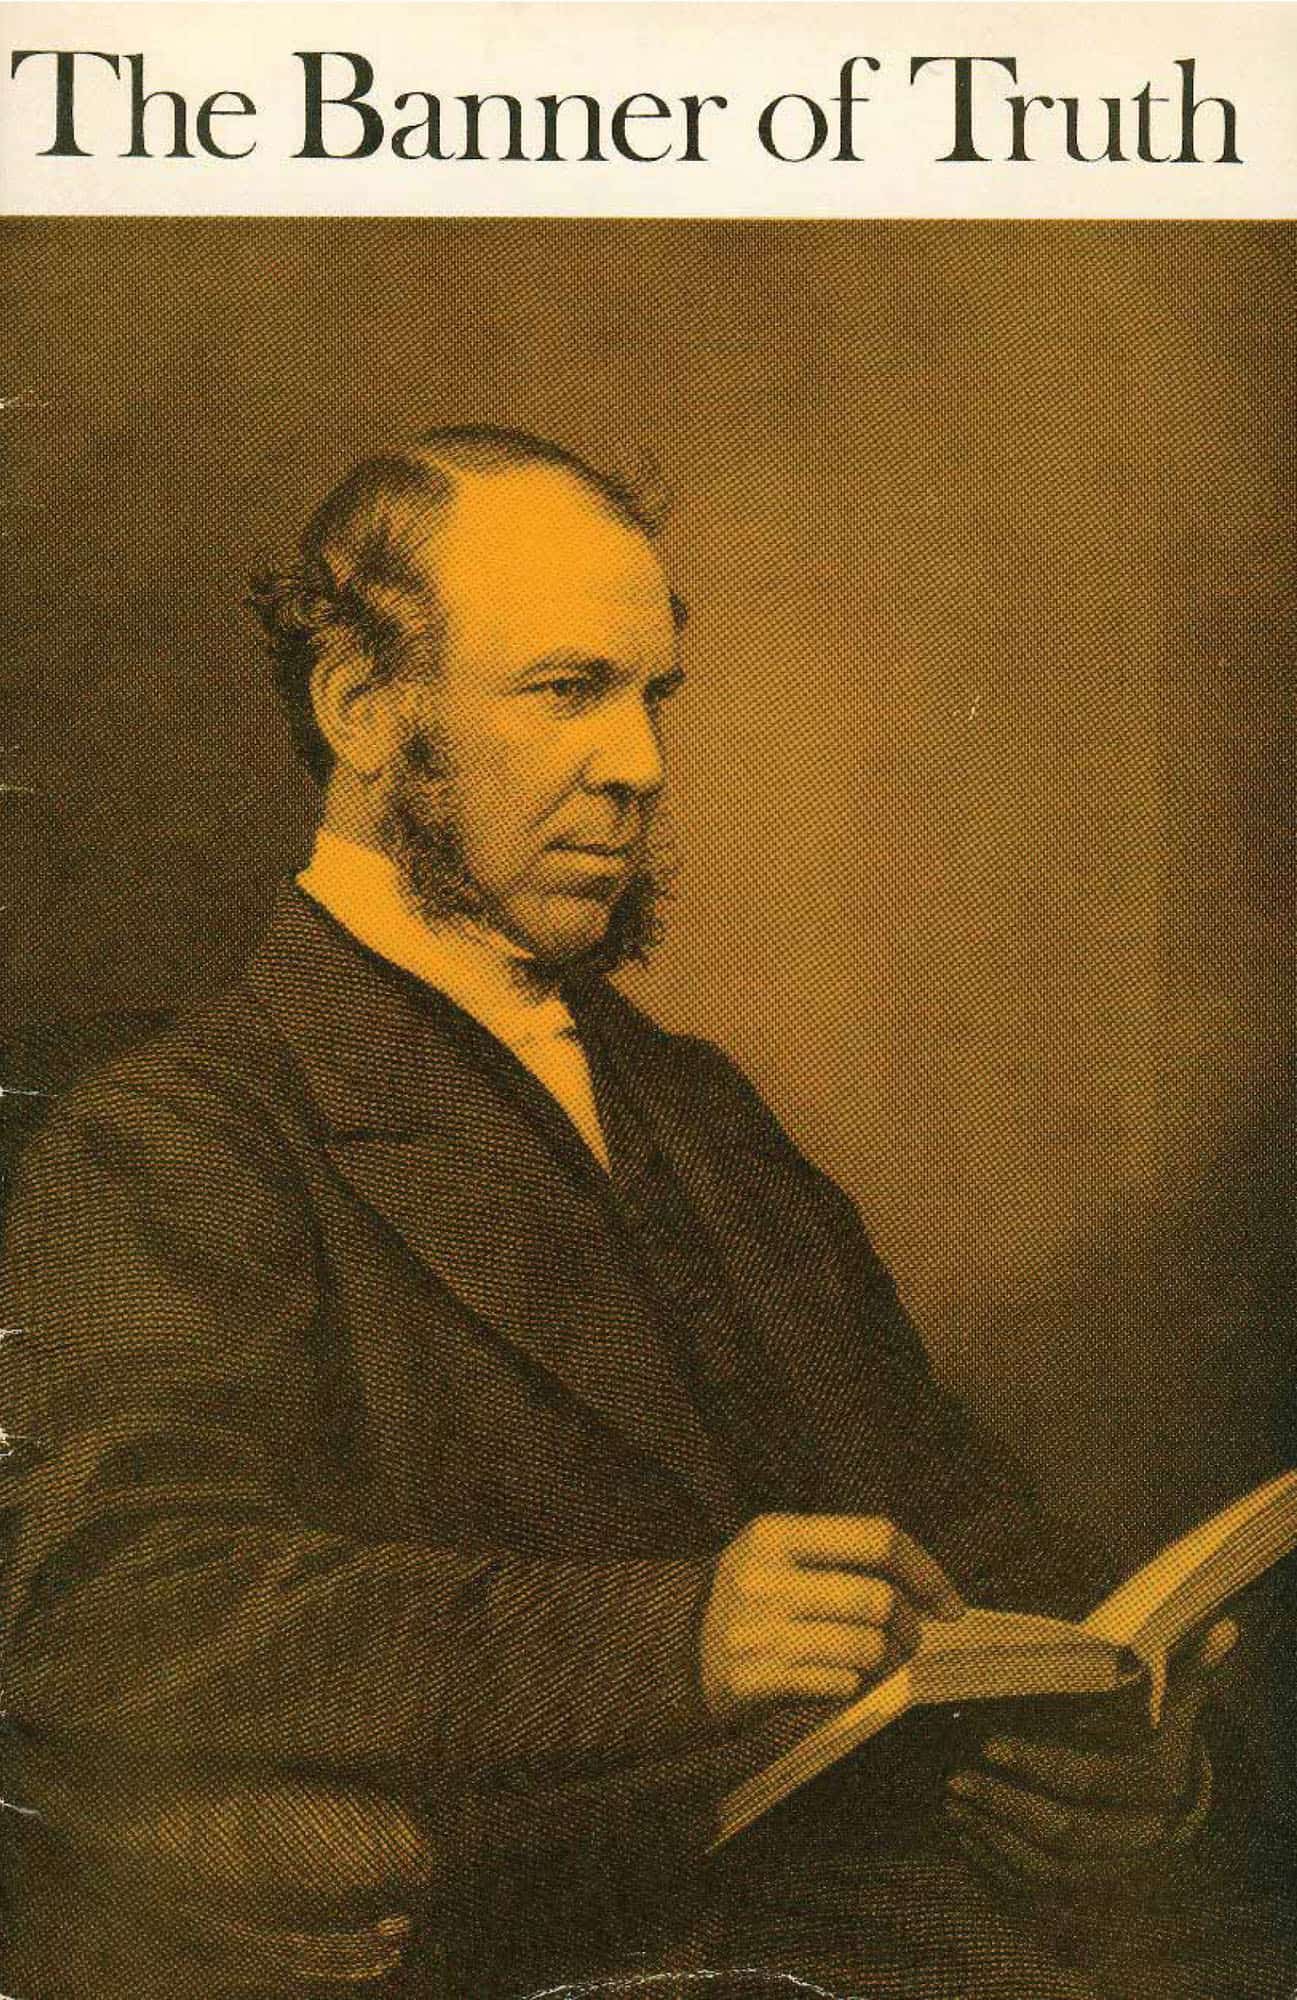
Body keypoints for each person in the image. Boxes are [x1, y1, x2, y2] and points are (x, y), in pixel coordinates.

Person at [0, 427, 1278, 2000]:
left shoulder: (698, 1110)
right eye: (565, 690)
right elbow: (104, 1605)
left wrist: (1131, 1750)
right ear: (360, 709)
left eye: (650, 694)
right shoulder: (181, 1132)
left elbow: (945, 1508)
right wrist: (673, 1641)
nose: (639, 765)